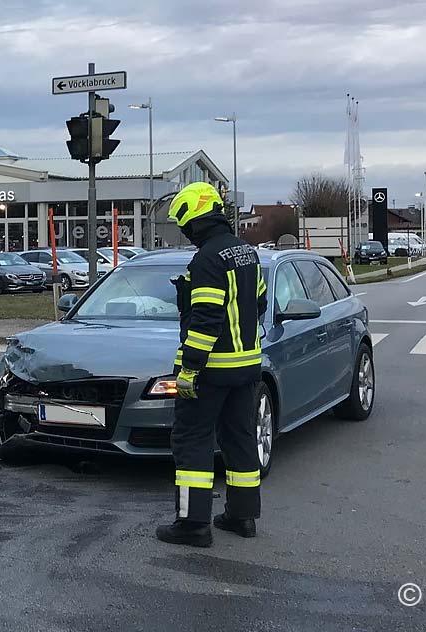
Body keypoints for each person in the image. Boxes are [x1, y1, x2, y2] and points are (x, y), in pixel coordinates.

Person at [155, 183, 268, 548]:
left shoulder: (207, 259)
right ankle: (242, 516)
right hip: (247, 367)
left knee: (192, 441)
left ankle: (193, 525)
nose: (185, 232)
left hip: (212, 371)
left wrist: (189, 370)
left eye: (183, 224)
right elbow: (260, 303)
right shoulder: (246, 253)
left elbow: (206, 319)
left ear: (194, 218)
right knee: (240, 438)